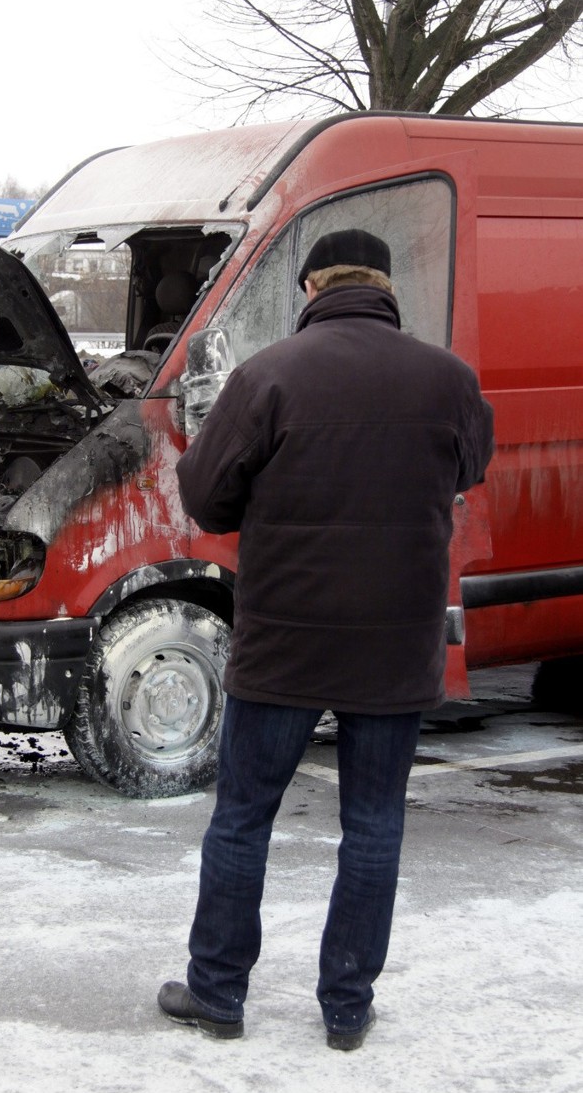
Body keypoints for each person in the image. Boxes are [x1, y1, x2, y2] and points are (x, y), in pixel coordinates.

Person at [158, 228, 495, 1048]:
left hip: (285, 641)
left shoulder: (267, 375)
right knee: (373, 825)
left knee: (243, 819)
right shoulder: (449, 381)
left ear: (310, 289)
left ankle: (219, 994)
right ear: (384, 286)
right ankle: (346, 1007)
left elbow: (206, 498)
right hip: (395, 643)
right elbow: (469, 468)